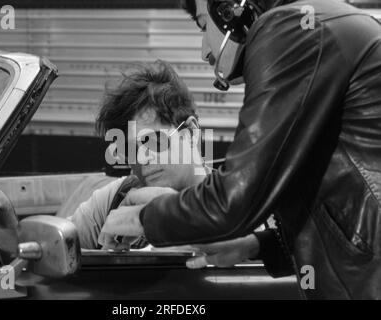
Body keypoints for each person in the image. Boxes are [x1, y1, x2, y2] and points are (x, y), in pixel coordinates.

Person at [100, 0, 381, 299]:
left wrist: (142, 217)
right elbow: (337, 205)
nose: (205, 50)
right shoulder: (321, 23)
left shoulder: (290, 29)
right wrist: (256, 246)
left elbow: (236, 197)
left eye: (203, 25)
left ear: (227, 8)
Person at [0, 60, 264, 257]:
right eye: (131, 147)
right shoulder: (114, 199)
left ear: (189, 132)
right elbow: (47, 258)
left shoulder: (239, 204)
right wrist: (5, 215)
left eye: (153, 141)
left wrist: (172, 218)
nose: (142, 157)